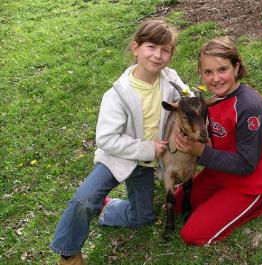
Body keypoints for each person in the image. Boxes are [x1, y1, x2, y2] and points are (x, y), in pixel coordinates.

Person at [50, 19, 188, 265]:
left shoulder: (170, 79)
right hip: (118, 158)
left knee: (142, 219)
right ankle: (68, 252)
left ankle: (109, 207)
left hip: (147, 165)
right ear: (136, 48)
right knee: (83, 201)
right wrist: (148, 147)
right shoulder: (117, 94)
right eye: (151, 47)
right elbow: (106, 138)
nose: (157, 55)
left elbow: (186, 99)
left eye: (165, 49)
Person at [173, 37, 262, 245]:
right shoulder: (210, 101)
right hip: (218, 174)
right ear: (200, 73)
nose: (215, 78)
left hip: (248, 183)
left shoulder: (249, 107)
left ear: (236, 67)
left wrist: (200, 152)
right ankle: (218, 203)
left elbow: (247, 164)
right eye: (208, 72)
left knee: (193, 235)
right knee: (176, 204)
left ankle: (259, 202)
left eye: (222, 70)